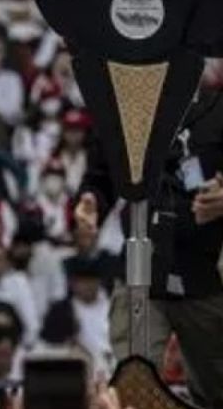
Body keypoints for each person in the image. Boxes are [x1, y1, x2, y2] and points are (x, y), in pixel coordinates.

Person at [76, 83, 223, 408]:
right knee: (133, 384)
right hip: (141, 271)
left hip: (206, 276)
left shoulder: (217, 109)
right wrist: (91, 201)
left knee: (217, 389)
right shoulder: (126, 107)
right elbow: (101, 173)